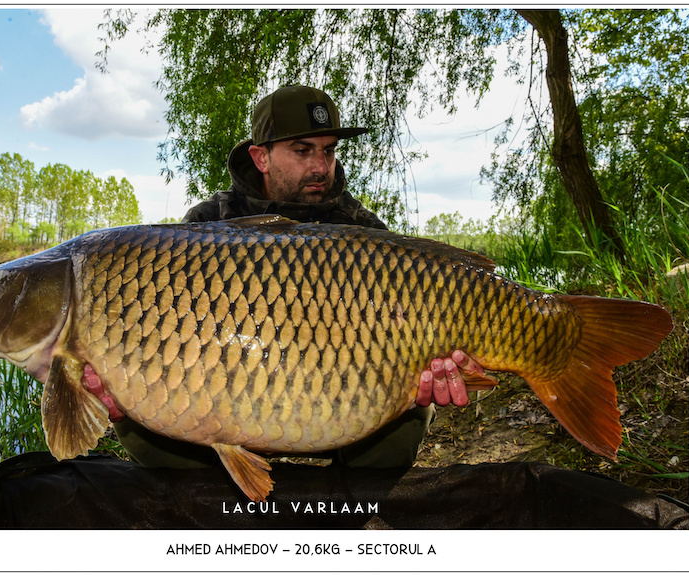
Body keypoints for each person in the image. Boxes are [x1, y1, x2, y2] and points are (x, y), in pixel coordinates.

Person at [83, 85, 487, 469]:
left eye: (328, 151)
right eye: (302, 150)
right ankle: (209, 507)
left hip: (339, 398)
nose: (320, 166)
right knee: (134, 415)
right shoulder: (208, 224)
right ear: (261, 157)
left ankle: (345, 516)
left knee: (413, 410)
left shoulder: (363, 230)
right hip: (224, 396)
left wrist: (441, 370)